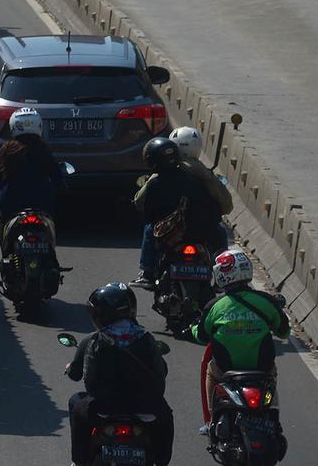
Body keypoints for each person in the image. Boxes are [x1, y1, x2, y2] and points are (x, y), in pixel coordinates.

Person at [65, 283, 173, 466]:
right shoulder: (146, 338)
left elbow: (76, 375)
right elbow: (161, 372)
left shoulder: (93, 339)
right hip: (144, 407)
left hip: (104, 406)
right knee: (166, 417)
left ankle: (79, 461)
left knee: (76, 404)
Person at [191, 249, 289, 436]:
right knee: (271, 378)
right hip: (262, 370)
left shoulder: (215, 306)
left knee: (210, 372)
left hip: (226, 371)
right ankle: (272, 414)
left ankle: (211, 421)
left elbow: (202, 336)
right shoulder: (266, 302)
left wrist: (193, 327)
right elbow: (284, 332)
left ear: (221, 274)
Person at [130, 137, 227, 288]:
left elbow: (144, 208)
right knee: (220, 231)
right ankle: (226, 272)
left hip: (171, 234)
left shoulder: (155, 182)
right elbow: (222, 205)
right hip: (202, 231)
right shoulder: (202, 176)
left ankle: (147, 273)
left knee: (149, 228)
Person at [0, 107, 65, 255]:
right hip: (42, 204)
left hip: (11, 204)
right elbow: (57, 177)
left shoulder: (6, 149)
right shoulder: (43, 150)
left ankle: (6, 255)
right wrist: (60, 187)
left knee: (1, 222)